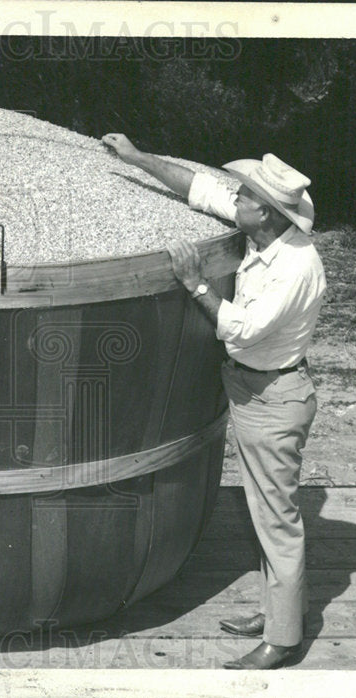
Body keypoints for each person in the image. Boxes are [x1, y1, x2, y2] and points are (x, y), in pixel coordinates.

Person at [102, 134, 326, 670]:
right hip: (254, 389)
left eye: (244, 195)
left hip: (274, 399)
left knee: (276, 520)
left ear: (265, 213)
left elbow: (242, 330)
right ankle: (277, 613)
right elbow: (200, 189)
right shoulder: (266, 229)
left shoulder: (295, 268)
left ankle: (283, 641)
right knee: (265, 512)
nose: (234, 198)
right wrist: (137, 158)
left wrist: (195, 284)